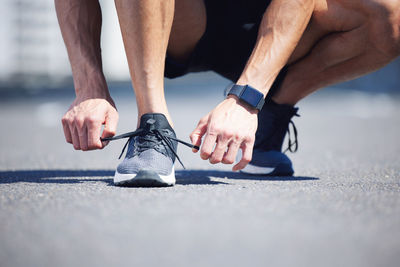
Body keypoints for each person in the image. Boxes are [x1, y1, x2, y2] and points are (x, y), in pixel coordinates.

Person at [55, 0, 400, 187]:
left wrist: (246, 100)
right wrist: (89, 87)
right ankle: (154, 124)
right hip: (179, 19)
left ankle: (270, 114)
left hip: (277, 24)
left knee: (392, 16)